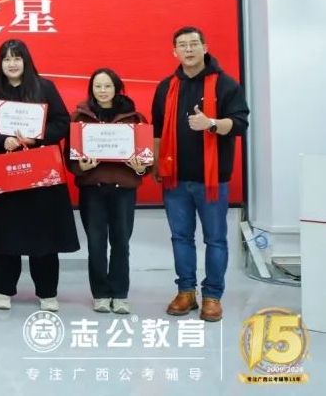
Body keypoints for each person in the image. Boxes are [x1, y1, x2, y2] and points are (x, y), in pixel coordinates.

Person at [152, 26, 249, 322]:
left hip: (212, 181)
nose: (189, 49)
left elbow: (240, 123)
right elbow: (157, 131)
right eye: (182, 45)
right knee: (180, 238)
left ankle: (212, 296)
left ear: (205, 48)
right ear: (175, 52)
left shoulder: (226, 85)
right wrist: (156, 164)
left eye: (194, 43)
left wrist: (211, 124)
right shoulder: (166, 87)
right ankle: (186, 291)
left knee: (215, 239)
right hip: (175, 179)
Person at [0, 39, 79, 312]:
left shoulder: (45, 87)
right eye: (6, 59)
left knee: (43, 235)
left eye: (16, 58)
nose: (12, 64)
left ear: (26, 61)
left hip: (40, 175)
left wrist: (37, 138)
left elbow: (62, 122)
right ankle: (3, 289)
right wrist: (2, 141)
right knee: (5, 232)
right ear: (0, 63)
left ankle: (47, 292)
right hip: (5, 173)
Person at [68, 68, 150, 315]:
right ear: (91, 89)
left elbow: (146, 161)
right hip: (93, 190)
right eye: (98, 86)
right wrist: (81, 167)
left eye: (107, 86)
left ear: (117, 88)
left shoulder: (135, 119)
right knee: (96, 244)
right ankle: (101, 294)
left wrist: (140, 167)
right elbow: (70, 159)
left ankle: (120, 294)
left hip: (123, 190)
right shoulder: (79, 118)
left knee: (121, 243)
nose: (102, 91)